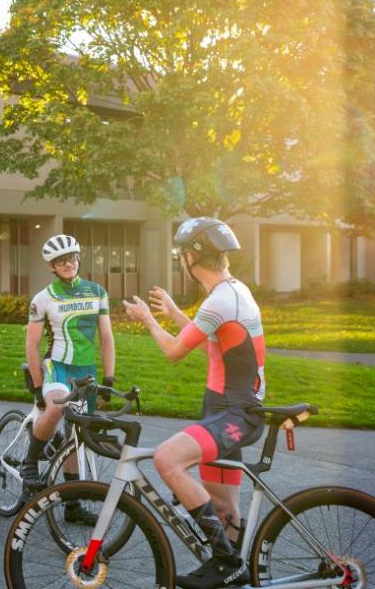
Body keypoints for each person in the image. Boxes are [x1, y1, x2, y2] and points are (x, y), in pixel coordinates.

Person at [123, 217, 265, 589]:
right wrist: (172, 313)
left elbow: (173, 350)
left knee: (167, 459)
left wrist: (149, 320)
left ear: (190, 256)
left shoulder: (219, 301)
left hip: (234, 413)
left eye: (180, 253)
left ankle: (225, 561)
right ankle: (230, 570)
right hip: (225, 409)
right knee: (222, 506)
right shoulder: (232, 292)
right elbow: (209, 342)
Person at [21, 234, 116, 525]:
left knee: (77, 436)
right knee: (56, 408)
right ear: (52, 266)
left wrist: (109, 378)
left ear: (79, 258)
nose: (68, 264)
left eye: (72, 257)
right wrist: (38, 387)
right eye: (61, 261)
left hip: (85, 373)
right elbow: (32, 346)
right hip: (56, 367)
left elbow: (106, 338)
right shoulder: (44, 298)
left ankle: (72, 506)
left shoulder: (97, 291)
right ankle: (29, 464)